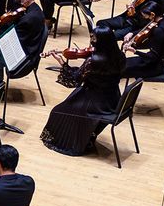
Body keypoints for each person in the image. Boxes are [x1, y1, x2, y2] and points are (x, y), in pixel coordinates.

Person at [41, 26, 126, 156]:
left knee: (58, 111)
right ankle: (89, 135)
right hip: (112, 98)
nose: (91, 40)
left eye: (94, 38)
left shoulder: (92, 61)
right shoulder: (120, 55)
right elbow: (96, 73)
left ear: (102, 41)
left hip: (94, 102)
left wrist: (62, 62)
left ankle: (72, 142)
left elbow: (74, 81)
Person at [122, 2, 164, 79]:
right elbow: (146, 28)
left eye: (145, 15)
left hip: (154, 67)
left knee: (119, 70)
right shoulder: (163, 20)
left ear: (153, 14)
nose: (144, 17)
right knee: (120, 65)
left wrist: (135, 51)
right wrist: (132, 33)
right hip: (151, 60)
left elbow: (153, 57)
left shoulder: (159, 31)